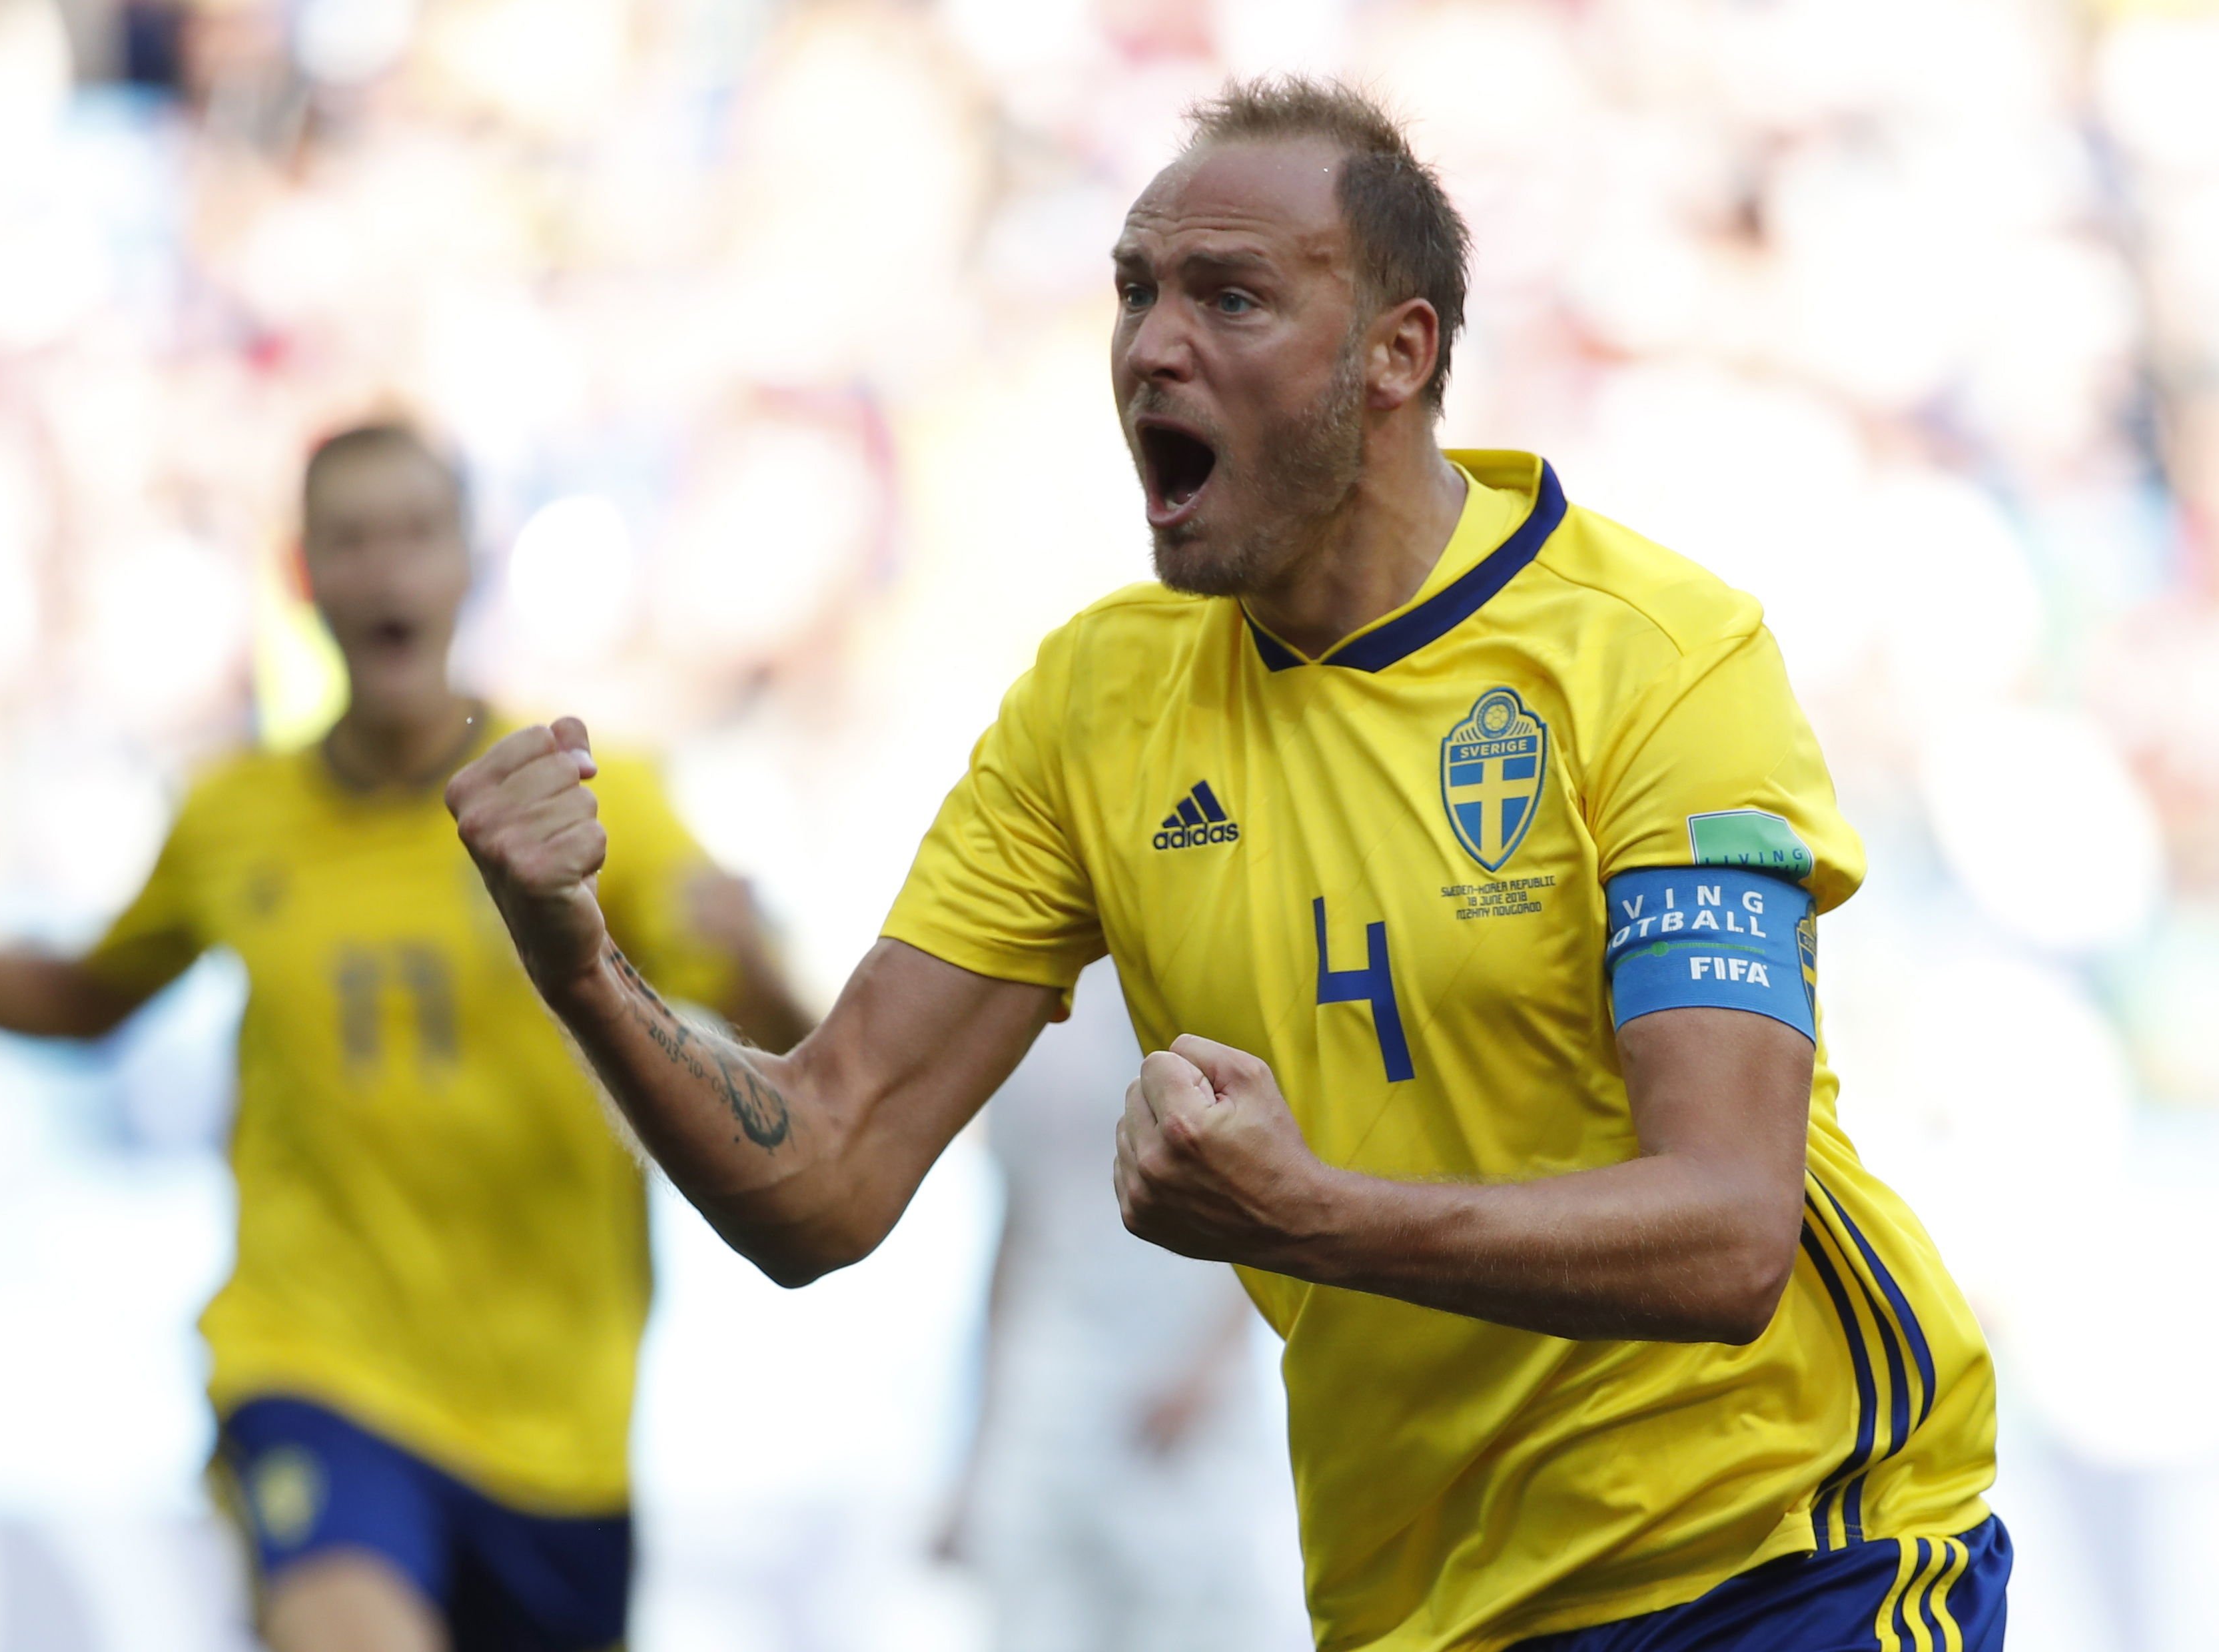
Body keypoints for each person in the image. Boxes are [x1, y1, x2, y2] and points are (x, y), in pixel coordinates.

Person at [444, 76, 2006, 1652]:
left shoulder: (1655, 657)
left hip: (1790, 1555)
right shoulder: (1097, 707)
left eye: (1230, 297)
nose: (1151, 345)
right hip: (1431, 1611)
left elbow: (1729, 1229)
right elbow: (822, 1176)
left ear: (1396, 353)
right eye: (1135, 290)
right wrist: (580, 965)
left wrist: (1310, 1212)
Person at [0, 422, 811, 1652]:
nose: (385, 570)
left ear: (467, 563)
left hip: (556, 1425)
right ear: (304, 574)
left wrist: (753, 963)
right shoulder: (234, 816)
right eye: (351, 540)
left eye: (415, 536)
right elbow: (89, 999)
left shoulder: (589, 802)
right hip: (313, 1364)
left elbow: (800, 1069)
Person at [941, 957, 1293, 1652]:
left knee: (1189, 1613)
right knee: (1040, 1610)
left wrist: (1208, 1366)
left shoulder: (1197, 982)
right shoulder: (1020, 1021)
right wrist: (975, 1454)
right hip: (1054, 1376)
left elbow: (1265, 1193)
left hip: (1179, 1382)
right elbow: (1014, 1224)